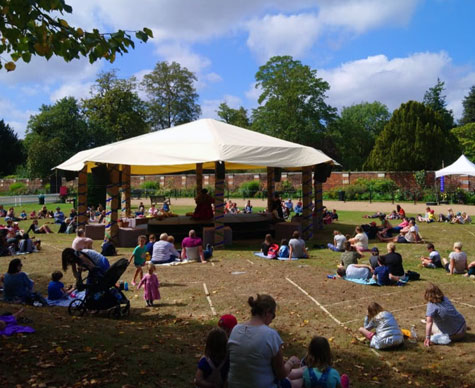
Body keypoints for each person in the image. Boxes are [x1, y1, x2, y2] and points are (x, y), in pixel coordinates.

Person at [227, 294, 299, 388]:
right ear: (267, 312)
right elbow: (281, 374)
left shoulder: (235, 329)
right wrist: (291, 362)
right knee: (300, 381)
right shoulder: (270, 335)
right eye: (273, 316)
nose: (272, 320)